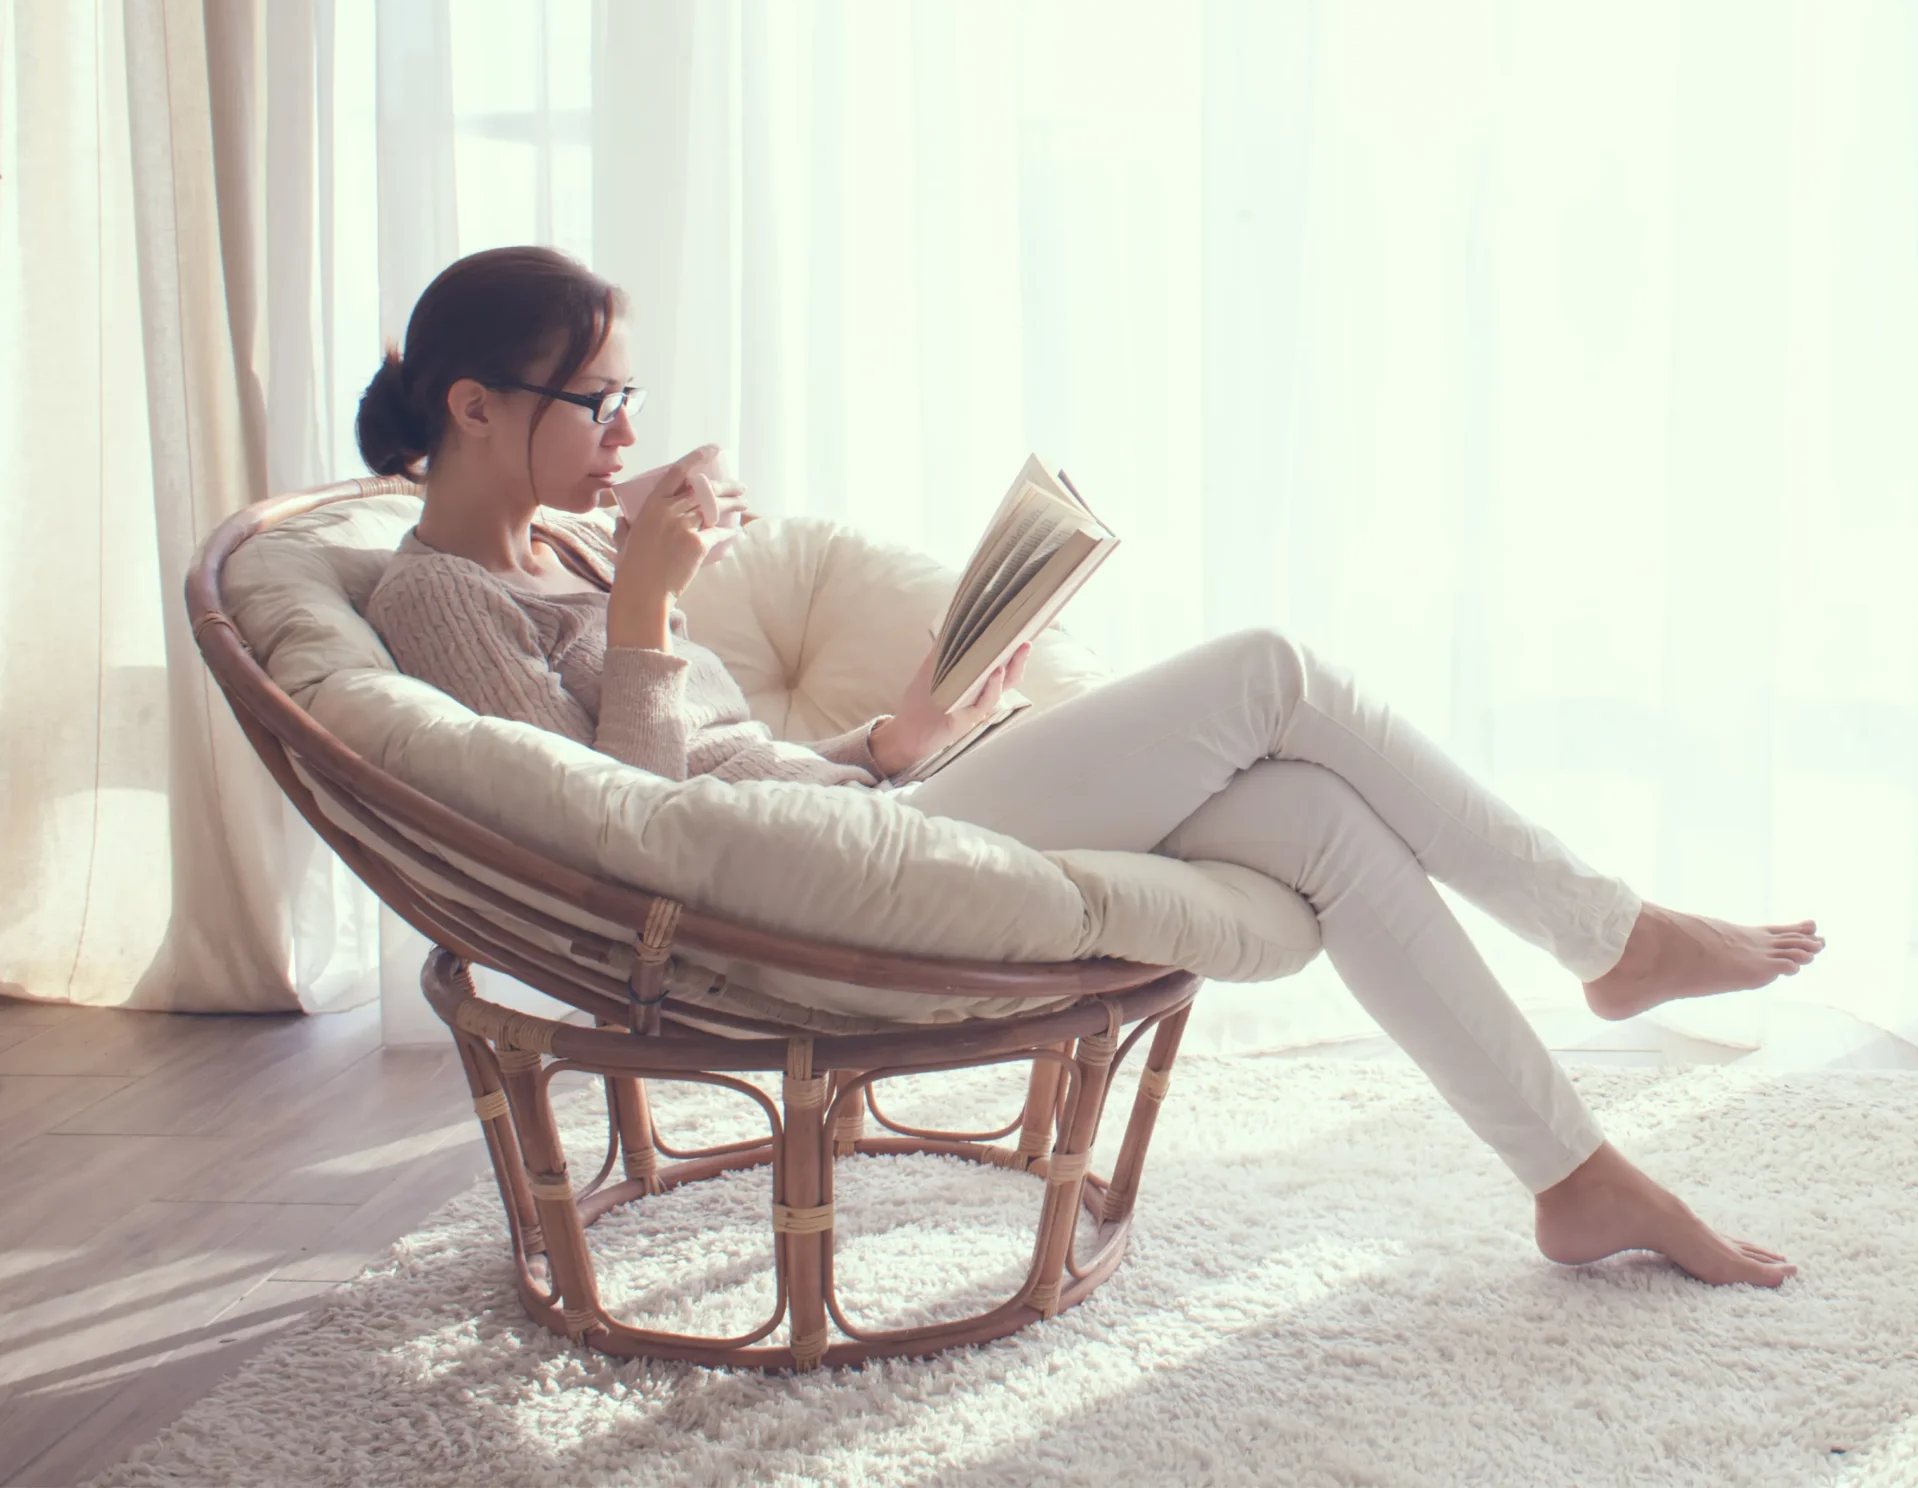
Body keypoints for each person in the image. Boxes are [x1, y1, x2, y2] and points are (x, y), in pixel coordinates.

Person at [358, 245, 1826, 1288]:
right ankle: (1611, 936)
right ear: (475, 408)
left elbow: (721, 771)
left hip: (854, 825)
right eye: (595, 401)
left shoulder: (565, 548)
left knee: (1311, 812)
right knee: (1272, 672)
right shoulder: (440, 596)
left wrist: (901, 734)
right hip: (801, 909)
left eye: (627, 395)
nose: (625, 432)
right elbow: (619, 839)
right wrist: (647, 608)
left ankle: (1574, 1179)